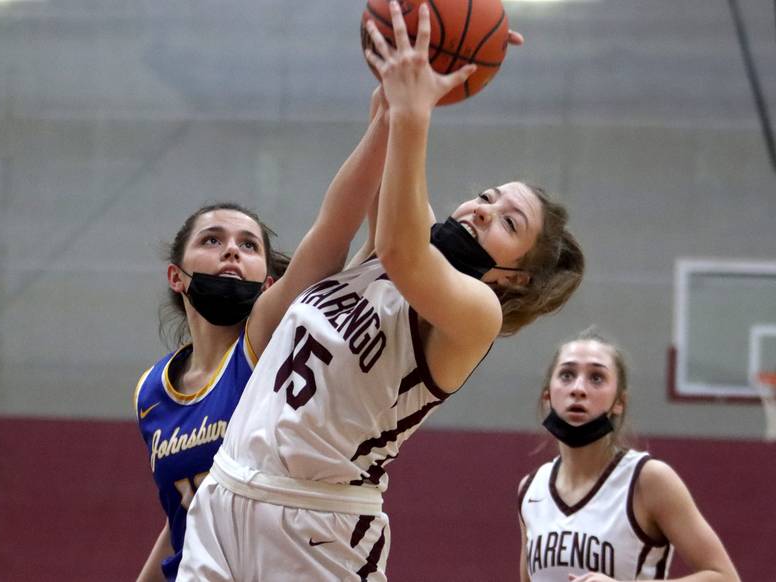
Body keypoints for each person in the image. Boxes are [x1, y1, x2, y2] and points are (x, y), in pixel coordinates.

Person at [177, 3, 583, 580]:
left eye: (507, 223)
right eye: (488, 197)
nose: (482, 211)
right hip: (228, 491)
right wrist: (413, 57)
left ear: (513, 276)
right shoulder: (392, 246)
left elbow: (401, 249)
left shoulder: (475, 314)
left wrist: (416, 113)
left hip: (319, 525)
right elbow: (357, 188)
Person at [134, 202, 289, 581]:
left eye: (249, 245)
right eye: (212, 239)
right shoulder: (151, 390)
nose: (232, 249)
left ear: (269, 284)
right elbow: (184, 518)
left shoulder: (268, 348)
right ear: (176, 276)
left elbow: (333, 242)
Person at [517, 328, 741, 582]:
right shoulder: (531, 489)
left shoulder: (649, 480)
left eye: (597, 378)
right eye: (567, 375)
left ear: (619, 401)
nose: (578, 388)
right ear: (547, 395)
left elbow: (725, 577)